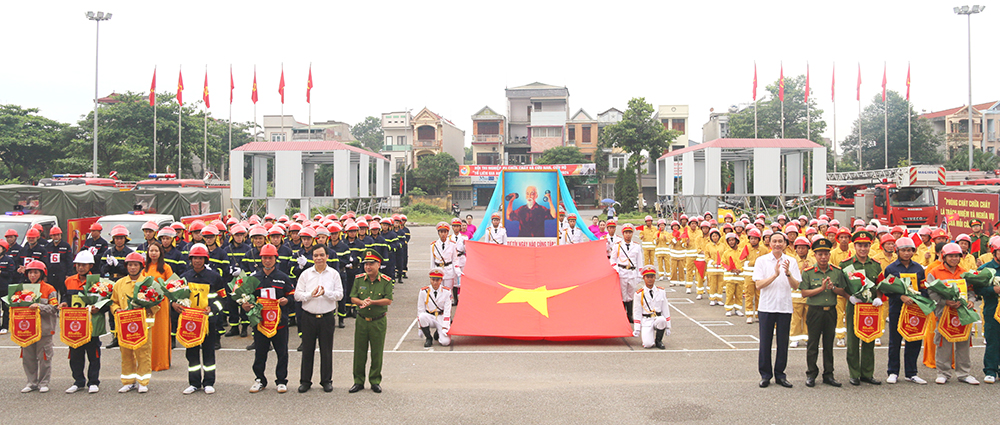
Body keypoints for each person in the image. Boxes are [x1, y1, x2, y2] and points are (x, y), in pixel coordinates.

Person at [835, 230, 884, 386]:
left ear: (870, 246)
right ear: (854, 246)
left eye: (866, 246)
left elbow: (880, 284)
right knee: (853, 340)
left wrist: (878, 297)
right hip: (854, 306)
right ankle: (854, 373)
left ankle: (867, 373)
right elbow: (839, 286)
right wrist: (850, 297)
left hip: (871, 307)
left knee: (869, 339)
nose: (863, 249)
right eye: (860, 245)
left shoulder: (875, 265)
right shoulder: (846, 265)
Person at [752, 232, 800, 388]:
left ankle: (780, 374)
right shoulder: (762, 261)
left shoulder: (791, 261)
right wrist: (775, 275)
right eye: (775, 241)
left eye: (780, 241)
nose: (778, 244)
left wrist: (787, 274)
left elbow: (796, 285)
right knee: (765, 343)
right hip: (766, 307)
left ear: (785, 244)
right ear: (769, 243)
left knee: (783, 343)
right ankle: (765, 375)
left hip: (784, 307)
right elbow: (758, 285)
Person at [294, 244, 343, 393]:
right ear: (312, 257)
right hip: (308, 317)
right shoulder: (306, 274)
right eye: (315, 255)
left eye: (322, 255)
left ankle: (326, 380)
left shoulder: (334, 274)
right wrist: (311, 295)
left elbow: (339, 294)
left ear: (327, 256)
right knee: (307, 350)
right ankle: (305, 381)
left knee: (326, 351)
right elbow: (297, 295)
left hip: (327, 318)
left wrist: (325, 293)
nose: (319, 258)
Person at [928, 242, 979, 385]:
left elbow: (970, 291)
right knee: (943, 342)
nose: (954, 259)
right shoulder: (935, 272)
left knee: (963, 342)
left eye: (957, 256)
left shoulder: (964, 272)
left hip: (962, 313)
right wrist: (945, 302)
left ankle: (964, 373)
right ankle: (943, 372)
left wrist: (970, 301)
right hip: (944, 312)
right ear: (944, 256)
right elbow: (931, 293)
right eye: (951, 256)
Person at [176, 244, 223, 395]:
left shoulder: (214, 277)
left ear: (205, 259)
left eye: (200, 258)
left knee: (208, 352)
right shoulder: (185, 277)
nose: (197, 261)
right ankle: (194, 383)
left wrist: (213, 309)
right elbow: (177, 296)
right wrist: (174, 304)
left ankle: (209, 382)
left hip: (208, 322)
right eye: (195, 258)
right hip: (190, 322)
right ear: (190, 259)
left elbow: (223, 299)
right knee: (191, 353)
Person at [799, 238, 845, 387]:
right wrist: (820, 289)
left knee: (828, 344)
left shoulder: (837, 272)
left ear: (829, 255)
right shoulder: (808, 272)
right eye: (820, 254)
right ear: (815, 255)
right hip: (814, 311)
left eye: (826, 254)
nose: (823, 257)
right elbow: (804, 293)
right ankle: (811, 374)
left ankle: (829, 374)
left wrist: (832, 288)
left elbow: (843, 291)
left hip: (830, 311)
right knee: (812, 344)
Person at [249, 244, 294, 394]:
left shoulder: (283, 278)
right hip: (261, 324)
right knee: (260, 353)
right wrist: (246, 306)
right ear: (260, 259)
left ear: (276, 258)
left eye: (270, 257)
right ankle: (259, 379)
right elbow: (248, 298)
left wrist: (287, 301)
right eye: (264, 258)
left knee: (282, 353)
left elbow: (293, 295)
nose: (267, 260)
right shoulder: (254, 278)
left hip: (279, 324)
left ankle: (281, 381)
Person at [110, 252, 158, 393]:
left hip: (142, 324)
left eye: (135, 265)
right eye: (130, 265)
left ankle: (143, 381)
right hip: (124, 325)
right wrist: (117, 310)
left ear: (141, 266)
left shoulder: (148, 282)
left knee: (143, 353)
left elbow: (156, 304)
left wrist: (147, 306)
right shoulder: (119, 284)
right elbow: (113, 302)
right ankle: (128, 381)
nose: (132, 268)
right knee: (126, 353)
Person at [883, 236, 928, 385]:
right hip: (897, 308)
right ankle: (893, 371)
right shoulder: (891, 268)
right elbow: (887, 289)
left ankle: (911, 373)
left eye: (909, 250)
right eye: (903, 250)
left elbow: (923, 288)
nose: (906, 253)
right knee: (895, 341)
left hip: (915, 310)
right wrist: (900, 296)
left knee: (914, 340)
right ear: (897, 251)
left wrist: (924, 302)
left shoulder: (918, 268)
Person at [349, 250, 394, 394]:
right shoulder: (359, 279)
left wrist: (372, 302)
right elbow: (353, 297)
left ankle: (375, 380)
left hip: (378, 321)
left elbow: (388, 300)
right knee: (359, 351)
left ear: (378, 265)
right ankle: (358, 381)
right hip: (362, 320)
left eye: (371, 264)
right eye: (366, 264)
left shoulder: (386, 281)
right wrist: (361, 302)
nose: (368, 267)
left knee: (377, 352)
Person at [62, 251, 105, 394]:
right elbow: (65, 296)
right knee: (75, 354)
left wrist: (98, 308)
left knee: (93, 353)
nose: (80, 267)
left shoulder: (97, 282)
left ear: (90, 265)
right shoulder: (69, 281)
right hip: (74, 325)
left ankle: (93, 381)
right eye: (78, 265)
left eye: (84, 265)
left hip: (91, 323)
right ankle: (78, 381)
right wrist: (63, 303)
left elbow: (105, 302)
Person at [19, 260, 59, 393]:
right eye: (30, 272)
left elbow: (54, 308)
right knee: (28, 357)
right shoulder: (23, 289)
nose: (32, 275)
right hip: (27, 329)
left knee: (44, 357)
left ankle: (44, 382)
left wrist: (39, 307)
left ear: (42, 274)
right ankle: (31, 382)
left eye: (36, 272)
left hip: (44, 329)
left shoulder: (49, 289)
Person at [977, 237, 1000, 384]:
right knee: (992, 340)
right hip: (992, 310)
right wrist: (993, 290)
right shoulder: (985, 269)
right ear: (994, 252)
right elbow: (978, 289)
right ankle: (991, 370)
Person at [611, 224, 644, 324]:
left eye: (630, 232)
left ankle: (629, 315)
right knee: (622, 295)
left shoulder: (636, 246)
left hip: (632, 273)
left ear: (632, 233)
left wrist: (639, 275)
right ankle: (622, 315)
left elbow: (639, 262)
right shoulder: (618, 245)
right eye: (626, 233)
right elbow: (613, 259)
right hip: (622, 272)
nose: (628, 235)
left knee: (630, 295)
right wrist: (616, 269)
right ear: (623, 233)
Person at [632, 265, 671, 349]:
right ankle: (650, 337)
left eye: (652, 277)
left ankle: (658, 340)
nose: (650, 279)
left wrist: (668, 326)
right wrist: (637, 328)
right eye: (647, 277)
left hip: (657, 317)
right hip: (646, 320)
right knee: (648, 344)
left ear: (655, 278)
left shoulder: (661, 291)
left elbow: (665, 308)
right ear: (644, 278)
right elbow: (637, 311)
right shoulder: (639, 294)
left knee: (662, 320)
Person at [418, 268, 452, 347]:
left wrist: (445, 326)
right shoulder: (423, 291)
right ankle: (429, 338)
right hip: (429, 316)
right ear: (430, 279)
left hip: (441, 316)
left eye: (437, 280)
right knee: (422, 316)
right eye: (433, 280)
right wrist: (420, 327)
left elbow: (447, 310)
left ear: (441, 280)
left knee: (445, 342)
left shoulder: (447, 292)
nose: (435, 282)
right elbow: (420, 309)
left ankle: (438, 332)